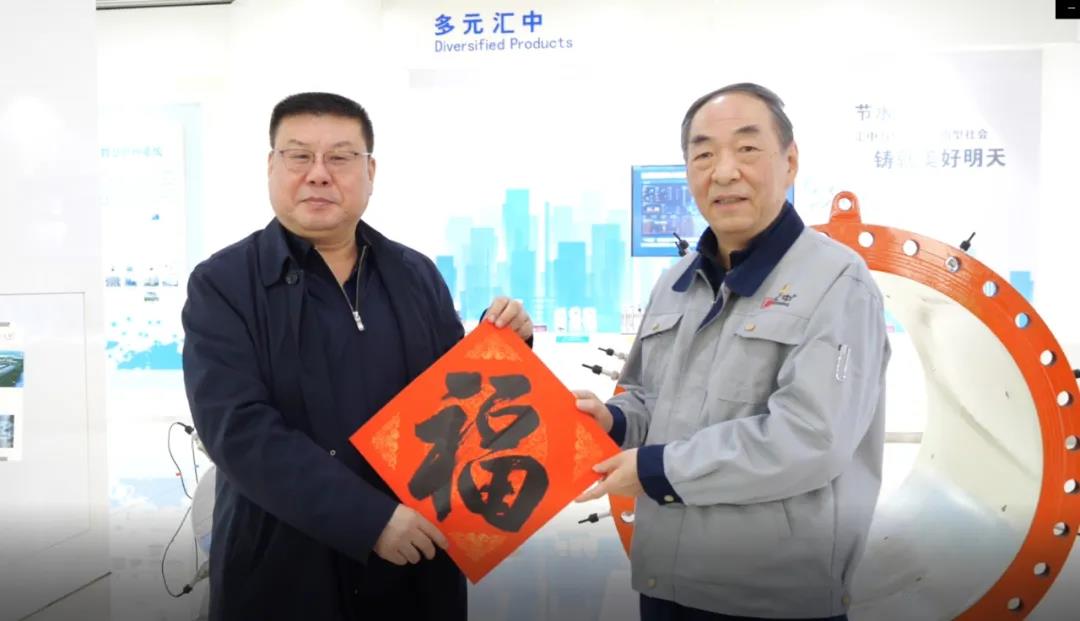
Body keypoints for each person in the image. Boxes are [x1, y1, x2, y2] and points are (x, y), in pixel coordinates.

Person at [181, 92, 533, 621]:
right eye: (299, 156)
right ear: (271, 166)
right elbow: (238, 430)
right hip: (283, 563)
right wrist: (369, 520)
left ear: (370, 171)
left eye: (340, 157)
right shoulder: (224, 284)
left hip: (416, 560)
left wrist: (505, 345)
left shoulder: (416, 275)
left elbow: (454, 402)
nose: (319, 174)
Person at [574, 83, 890, 620]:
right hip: (666, 585)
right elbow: (650, 397)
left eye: (747, 149)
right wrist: (614, 421)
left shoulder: (838, 283)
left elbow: (811, 438)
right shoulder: (677, 281)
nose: (723, 172)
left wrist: (657, 469)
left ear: (790, 162)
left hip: (772, 598)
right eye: (703, 155)